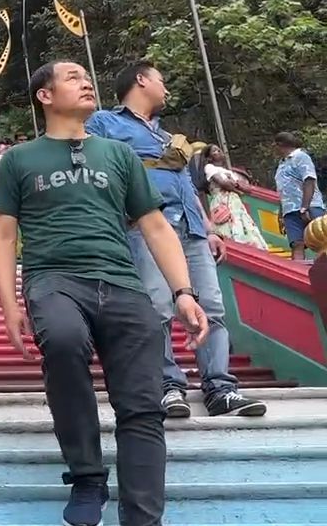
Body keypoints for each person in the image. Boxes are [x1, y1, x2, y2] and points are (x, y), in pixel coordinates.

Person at [0, 61, 205, 526]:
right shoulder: (19, 160)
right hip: (54, 279)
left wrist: (183, 291)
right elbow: (1, 236)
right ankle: (87, 475)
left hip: (124, 285)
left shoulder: (119, 155)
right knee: (62, 342)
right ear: (44, 95)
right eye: (71, 76)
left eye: (87, 75)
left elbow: (153, 225)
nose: (86, 81)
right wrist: (8, 306)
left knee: (142, 409)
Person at [88, 61, 265, 419]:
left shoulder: (168, 138)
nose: (165, 88)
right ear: (141, 80)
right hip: (146, 227)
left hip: (191, 229)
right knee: (157, 307)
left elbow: (185, 184)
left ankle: (220, 387)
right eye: (161, 80)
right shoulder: (105, 123)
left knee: (211, 307)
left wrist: (209, 228)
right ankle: (169, 386)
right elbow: (93, 170)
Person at [201, 144, 268, 250]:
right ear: (209, 157)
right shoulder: (210, 168)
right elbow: (224, 184)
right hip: (222, 201)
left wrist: (234, 185)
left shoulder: (229, 172)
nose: (219, 152)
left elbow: (247, 189)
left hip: (235, 202)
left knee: (242, 224)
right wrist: (236, 186)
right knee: (225, 223)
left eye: (219, 150)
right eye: (215, 151)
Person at [273, 131, 325, 260]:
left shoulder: (301, 157)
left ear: (279, 145)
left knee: (323, 238)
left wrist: (304, 207)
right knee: (297, 244)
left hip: (310, 206)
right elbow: (283, 190)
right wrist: (281, 214)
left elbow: (309, 180)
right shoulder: (281, 164)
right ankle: (299, 274)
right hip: (289, 210)